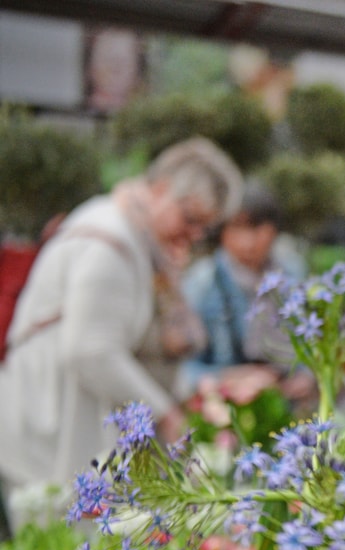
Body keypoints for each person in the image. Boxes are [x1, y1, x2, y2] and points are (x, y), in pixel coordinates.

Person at [0, 137, 243, 502]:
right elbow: (90, 352)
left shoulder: (133, 235)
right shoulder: (110, 242)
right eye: (189, 218)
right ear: (160, 189)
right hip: (46, 431)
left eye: (203, 228)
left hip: (56, 426)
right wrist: (166, 414)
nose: (192, 235)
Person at [178, 180, 308, 399]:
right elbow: (182, 371)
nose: (248, 241)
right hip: (225, 412)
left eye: (257, 228)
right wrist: (228, 379)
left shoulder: (292, 274)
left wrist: (306, 378)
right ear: (221, 231)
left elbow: (310, 346)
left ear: (274, 229)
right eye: (237, 228)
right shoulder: (202, 282)